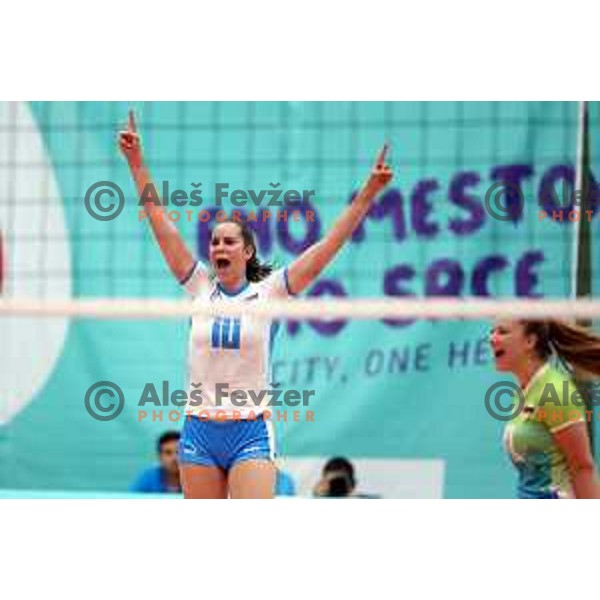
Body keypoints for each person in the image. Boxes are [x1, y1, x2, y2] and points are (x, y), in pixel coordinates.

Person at [119, 110, 393, 499]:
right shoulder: (199, 287)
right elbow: (158, 220)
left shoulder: (272, 291)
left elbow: (327, 246)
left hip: (250, 429)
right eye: (214, 241)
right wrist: (136, 163)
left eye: (229, 241)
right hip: (199, 428)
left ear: (247, 251)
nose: (219, 247)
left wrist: (367, 193)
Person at [489, 318, 600, 499]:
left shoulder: (555, 391)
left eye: (502, 332)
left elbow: (582, 467)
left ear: (530, 341)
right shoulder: (526, 390)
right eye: (491, 332)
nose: (492, 338)